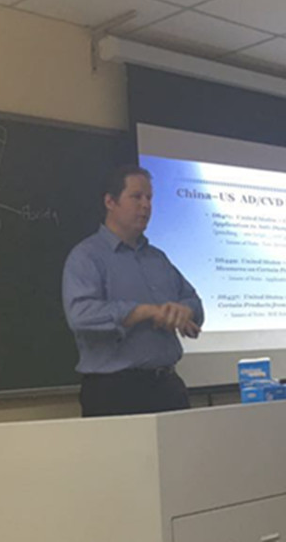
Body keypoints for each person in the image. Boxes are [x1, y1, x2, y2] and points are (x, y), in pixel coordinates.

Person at [62, 165, 204, 417]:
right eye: (136, 197)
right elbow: (81, 315)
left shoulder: (157, 259)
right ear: (110, 201)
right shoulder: (87, 256)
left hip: (167, 387)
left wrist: (185, 311)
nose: (146, 205)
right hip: (114, 392)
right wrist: (142, 312)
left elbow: (194, 302)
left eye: (149, 198)